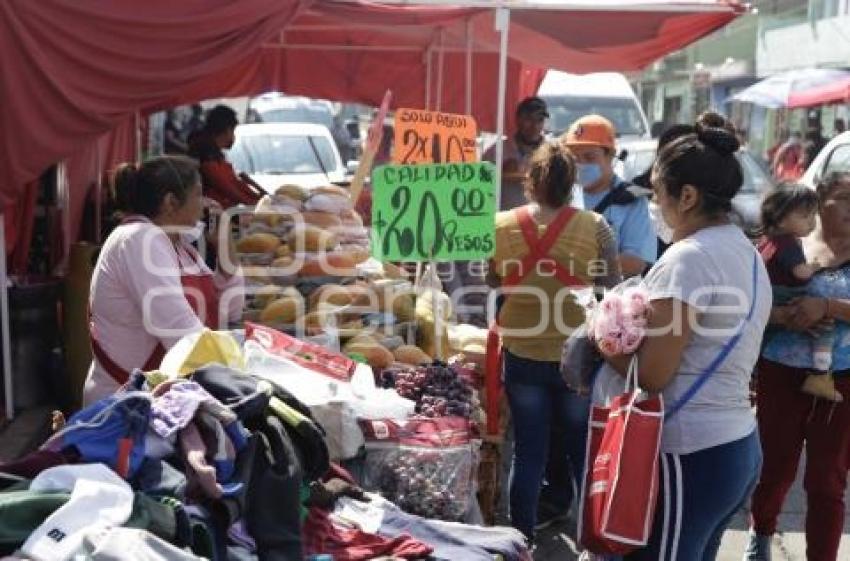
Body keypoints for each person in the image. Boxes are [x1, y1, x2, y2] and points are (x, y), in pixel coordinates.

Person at [592, 121, 771, 560]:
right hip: (736, 445)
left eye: (657, 192)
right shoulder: (744, 251)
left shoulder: (688, 260)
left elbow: (652, 375)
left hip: (690, 451)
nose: (654, 204)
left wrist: (601, 336)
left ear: (687, 196)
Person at [488, 141, 621, 541]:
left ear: (531, 181)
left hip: (522, 351)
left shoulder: (501, 224)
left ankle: (520, 541)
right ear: (572, 183)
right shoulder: (595, 227)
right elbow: (612, 287)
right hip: (578, 357)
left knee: (529, 452)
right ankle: (591, 540)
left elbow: (492, 279)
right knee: (583, 453)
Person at [745, 171, 850, 561]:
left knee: (827, 479)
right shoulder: (782, 245)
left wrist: (828, 307)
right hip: (779, 372)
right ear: (820, 200)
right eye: (846, 197)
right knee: (774, 466)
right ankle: (762, 532)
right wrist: (784, 316)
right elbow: (747, 304)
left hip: (841, 381)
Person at [85, 156, 244, 405]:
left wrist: (225, 246)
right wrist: (244, 368)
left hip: (164, 397)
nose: (206, 204)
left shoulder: (181, 247)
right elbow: (181, 332)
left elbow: (229, 310)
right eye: (199, 194)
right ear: (171, 202)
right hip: (124, 406)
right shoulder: (138, 239)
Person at [757, 183, 841, 402]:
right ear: (781, 217)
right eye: (805, 216)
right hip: (784, 297)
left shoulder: (769, 239)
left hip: (769, 297)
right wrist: (814, 266)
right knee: (826, 327)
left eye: (814, 215)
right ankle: (821, 375)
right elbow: (802, 274)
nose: (812, 222)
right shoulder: (788, 243)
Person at [562, 114, 656, 278]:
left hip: (611, 298)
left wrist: (578, 266)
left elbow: (635, 262)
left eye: (589, 157)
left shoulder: (632, 199)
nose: (581, 164)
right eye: (574, 158)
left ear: (610, 156)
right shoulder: (563, 194)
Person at [188, 104, 261, 208]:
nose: (233, 136)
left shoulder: (214, 153)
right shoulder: (206, 153)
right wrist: (253, 203)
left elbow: (235, 182)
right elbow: (227, 187)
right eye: (233, 131)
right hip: (209, 216)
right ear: (227, 130)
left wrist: (259, 199)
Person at [484, 96, 549, 210]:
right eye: (529, 119)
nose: (534, 125)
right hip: (503, 221)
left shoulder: (553, 152)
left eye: (539, 120)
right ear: (518, 120)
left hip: (542, 222)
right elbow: (481, 186)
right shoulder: (496, 152)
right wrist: (501, 173)